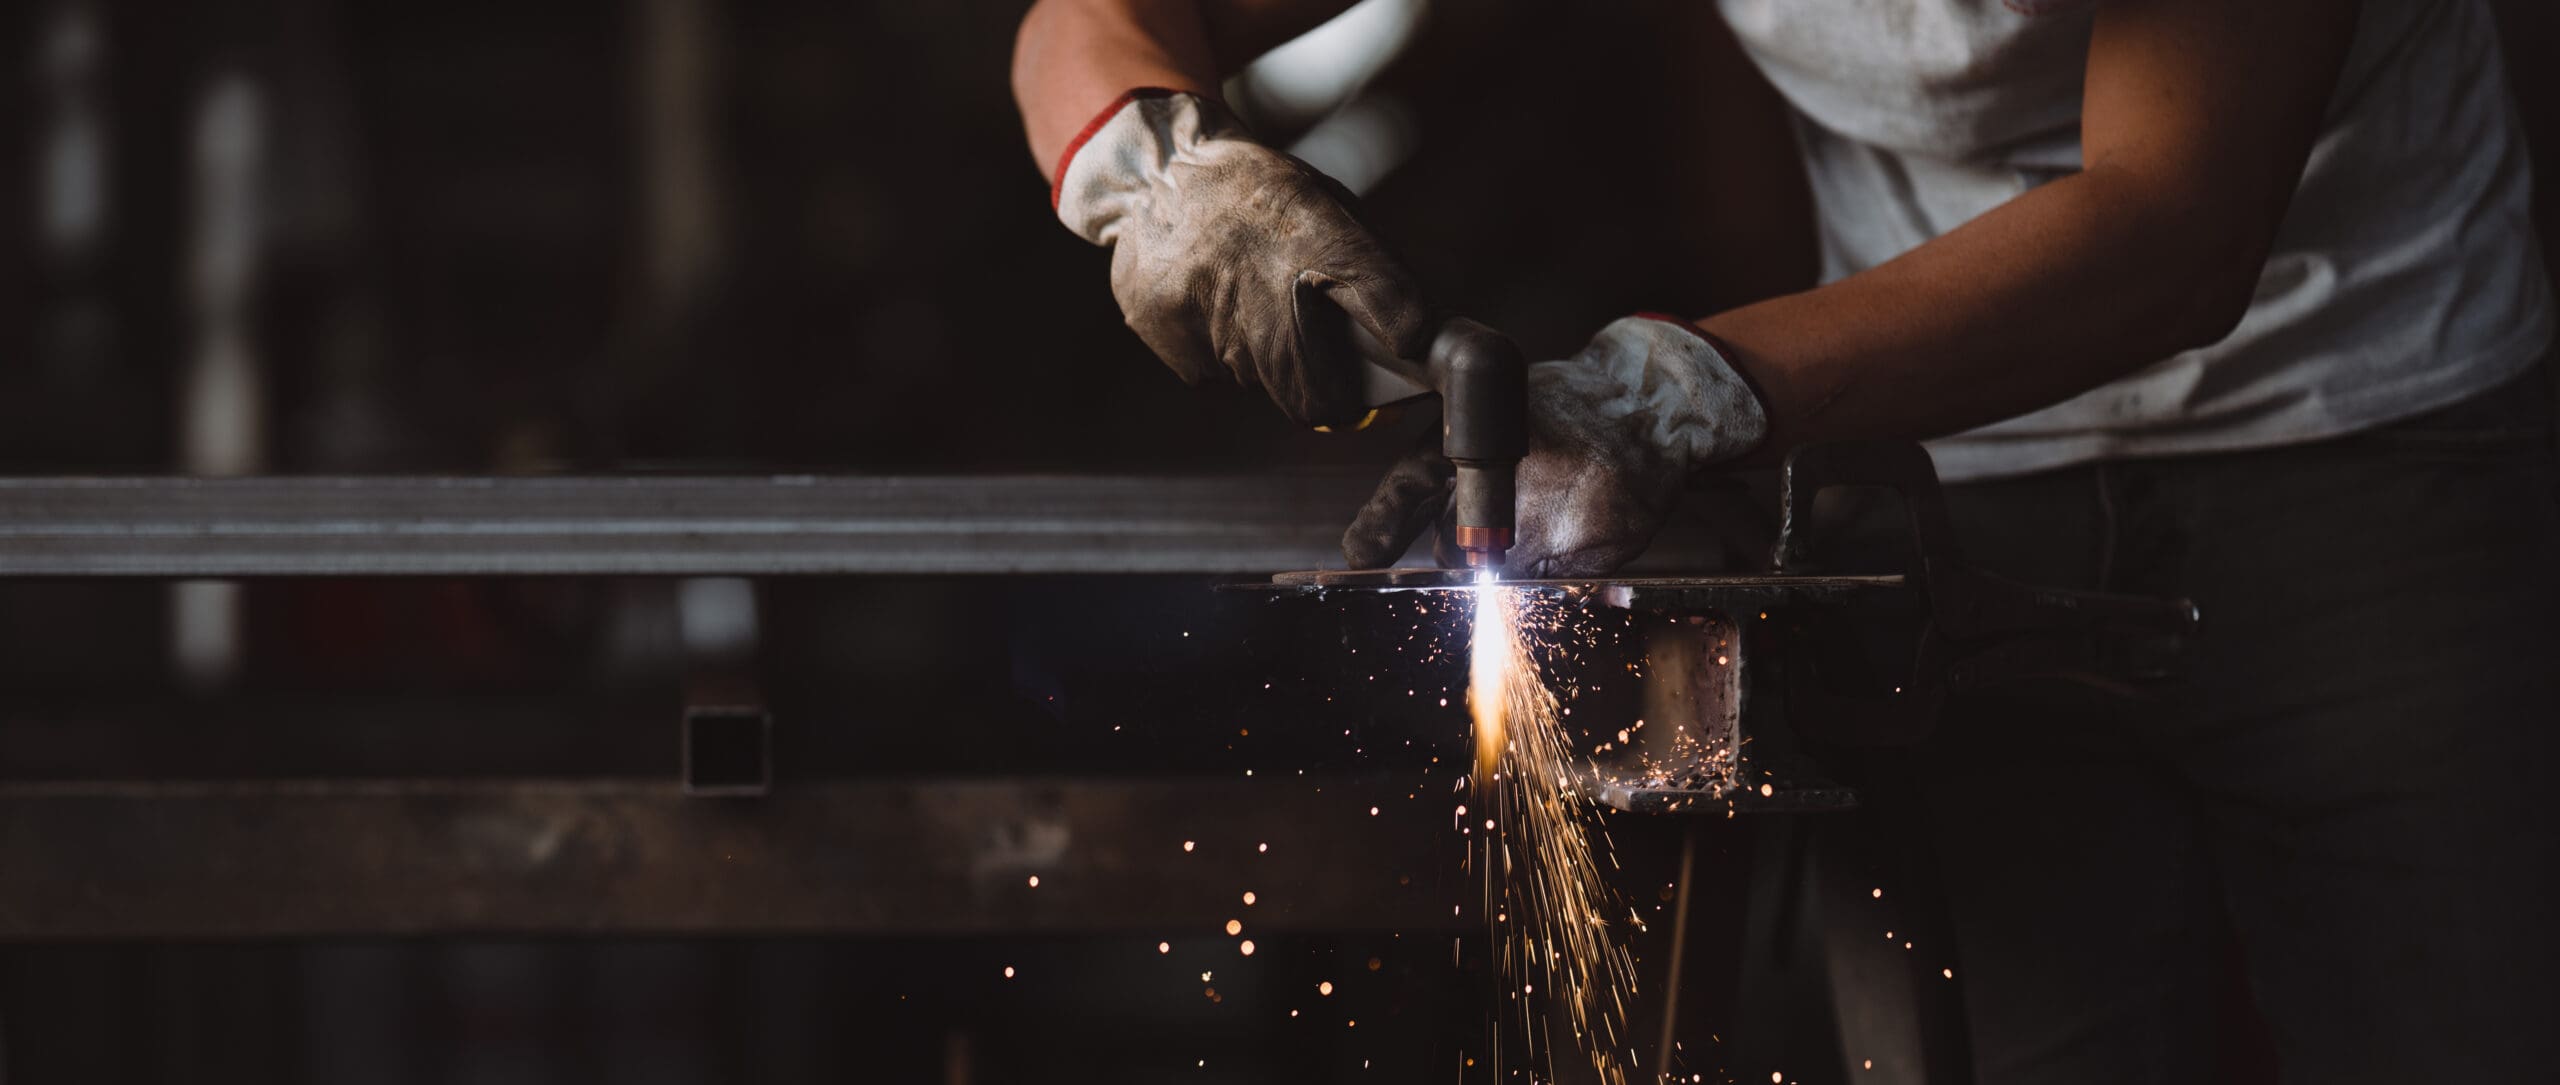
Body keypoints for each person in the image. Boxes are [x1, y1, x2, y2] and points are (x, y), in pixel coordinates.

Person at [1012, 1, 2559, 1081]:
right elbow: (1091, 14)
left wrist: (1679, 389)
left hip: (2365, 436)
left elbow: (2170, 225)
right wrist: (1159, 173)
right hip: (1939, 461)